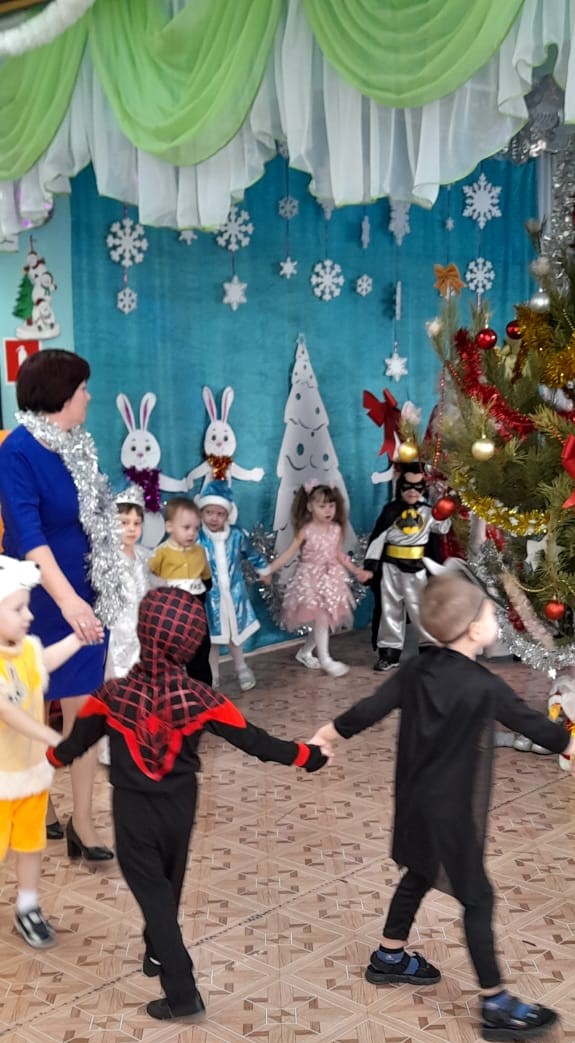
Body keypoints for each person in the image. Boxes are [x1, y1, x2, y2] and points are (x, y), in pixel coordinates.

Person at [309, 573, 573, 1042]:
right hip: (451, 811)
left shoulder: (415, 669)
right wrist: (568, 745)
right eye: (490, 614)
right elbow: (533, 724)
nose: (495, 621)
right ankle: (496, 1004)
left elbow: (370, 708)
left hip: (414, 801)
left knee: (419, 870)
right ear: (474, 629)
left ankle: (389, 956)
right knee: (479, 898)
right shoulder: (484, 685)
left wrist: (327, 734)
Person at [47, 586, 328, 1021]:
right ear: (192, 642)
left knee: (153, 896)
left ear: (142, 632)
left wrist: (41, 762)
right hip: (180, 807)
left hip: (133, 812)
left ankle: (182, 993)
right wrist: (309, 756)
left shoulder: (110, 696)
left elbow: (71, 747)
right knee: (168, 883)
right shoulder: (205, 699)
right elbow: (257, 743)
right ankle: (156, 951)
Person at [0, 349, 126, 860]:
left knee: (84, 708)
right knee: (29, 705)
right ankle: (39, 802)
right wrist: (68, 600)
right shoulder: (18, 451)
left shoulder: (78, 445)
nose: (88, 398)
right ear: (60, 397)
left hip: (88, 590)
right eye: (82, 390)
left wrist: (90, 592)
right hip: (36, 600)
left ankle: (84, 821)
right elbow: (28, 535)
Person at [0, 555, 102, 948]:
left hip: (29, 774)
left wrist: (78, 638)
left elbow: (43, 661)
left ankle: (28, 906)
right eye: (18, 609)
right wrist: (53, 737)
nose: (29, 615)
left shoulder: (25, 649)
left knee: (31, 843)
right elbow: (8, 711)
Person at [267, 480, 371, 678]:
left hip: (331, 580)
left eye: (331, 505)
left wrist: (356, 570)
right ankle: (325, 659)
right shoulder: (306, 530)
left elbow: (339, 555)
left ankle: (305, 652)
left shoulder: (336, 529)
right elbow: (289, 553)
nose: (328, 510)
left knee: (323, 621)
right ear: (310, 507)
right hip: (310, 580)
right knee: (322, 619)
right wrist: (269, 569)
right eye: (322, 506)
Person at [364, 462, 451, 672]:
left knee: (420, 608)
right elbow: (378, 538)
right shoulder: (390, 511)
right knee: (390, 609)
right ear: (399, 486)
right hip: (391, 568)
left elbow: (442, 528)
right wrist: (370, 565)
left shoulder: (427, 512)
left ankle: (429, 650)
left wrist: (445, 509)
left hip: (417, 569)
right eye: (407, 486)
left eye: (417, 487)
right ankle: (389, 652)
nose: (412, 491)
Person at [196, 481, 271, 691]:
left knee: (234, 636)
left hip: (234, 596)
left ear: (227, 515)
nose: (214, 518)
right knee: (211, 639)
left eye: (220, 514)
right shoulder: (198, 537)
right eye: (209, 512)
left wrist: (263, 569)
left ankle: (242, 668)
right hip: (210, 598)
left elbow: (252, 554)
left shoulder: (236, 535)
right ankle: (213, 675)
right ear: (202, 513)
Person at [99, 485, 152, 766]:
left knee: (144, 688)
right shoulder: (108, 559)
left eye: (136, 523)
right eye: (124, 523)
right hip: (119, 635)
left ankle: (142, 740)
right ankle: (114, 748)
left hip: (141, 633)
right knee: (120, 687)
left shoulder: (143, 556)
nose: (131, 529)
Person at [148, 496, 212, 685]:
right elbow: (147, 574)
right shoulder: (161, 553)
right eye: (186, 527)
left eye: (196, 528)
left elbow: (206, 576)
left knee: (200, 654)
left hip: (196, 612)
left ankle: (202, 689)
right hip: (172, 614)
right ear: (169, 527)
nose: (192, 533)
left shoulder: (200, 551)